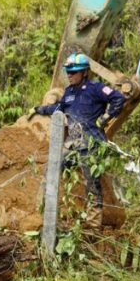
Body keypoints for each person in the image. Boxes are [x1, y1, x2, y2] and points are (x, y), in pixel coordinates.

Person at [31, 52, 126, 228]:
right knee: (53, 168)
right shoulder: (69, 92)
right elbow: (57, 109)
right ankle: (44, 212)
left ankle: (93, 222)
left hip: (91, 143)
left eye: (73, 72)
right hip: (73, 141)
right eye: (68, 72)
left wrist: (106, 118)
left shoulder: (96, 89)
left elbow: (119, 99)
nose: (69, 75)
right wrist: (39, 109)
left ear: (84, 73)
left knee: (92, 181)